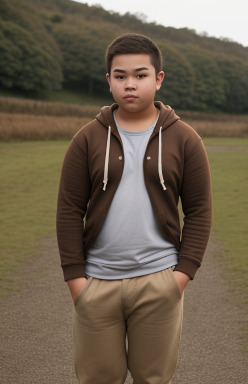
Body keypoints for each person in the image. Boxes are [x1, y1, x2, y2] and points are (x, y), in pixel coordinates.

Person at [56, 33, 212, 384]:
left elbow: (199, 211)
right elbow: (68, 210)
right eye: (120, 76)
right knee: (98, 379)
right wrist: (76, 281)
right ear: (108, 80)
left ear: (158, 79)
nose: (130, 84)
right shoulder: (86, 139)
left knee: (153, 379)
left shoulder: (186, 139)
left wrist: (180, 277)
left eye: (140, 75)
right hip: (96, 283)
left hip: (160, 282)